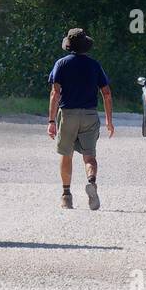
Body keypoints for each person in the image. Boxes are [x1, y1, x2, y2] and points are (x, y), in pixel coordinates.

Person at [47, 27, 113, 210]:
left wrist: (52, 121)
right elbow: (106, 93)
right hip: (90, 114)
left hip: (67, 114)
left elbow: (55, 93)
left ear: (68, 45)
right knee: (89, 157)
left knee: (66, 154)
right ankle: (91, 182)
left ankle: (66, 196)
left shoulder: (61, 64)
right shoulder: (94, 65)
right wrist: (109, 120)